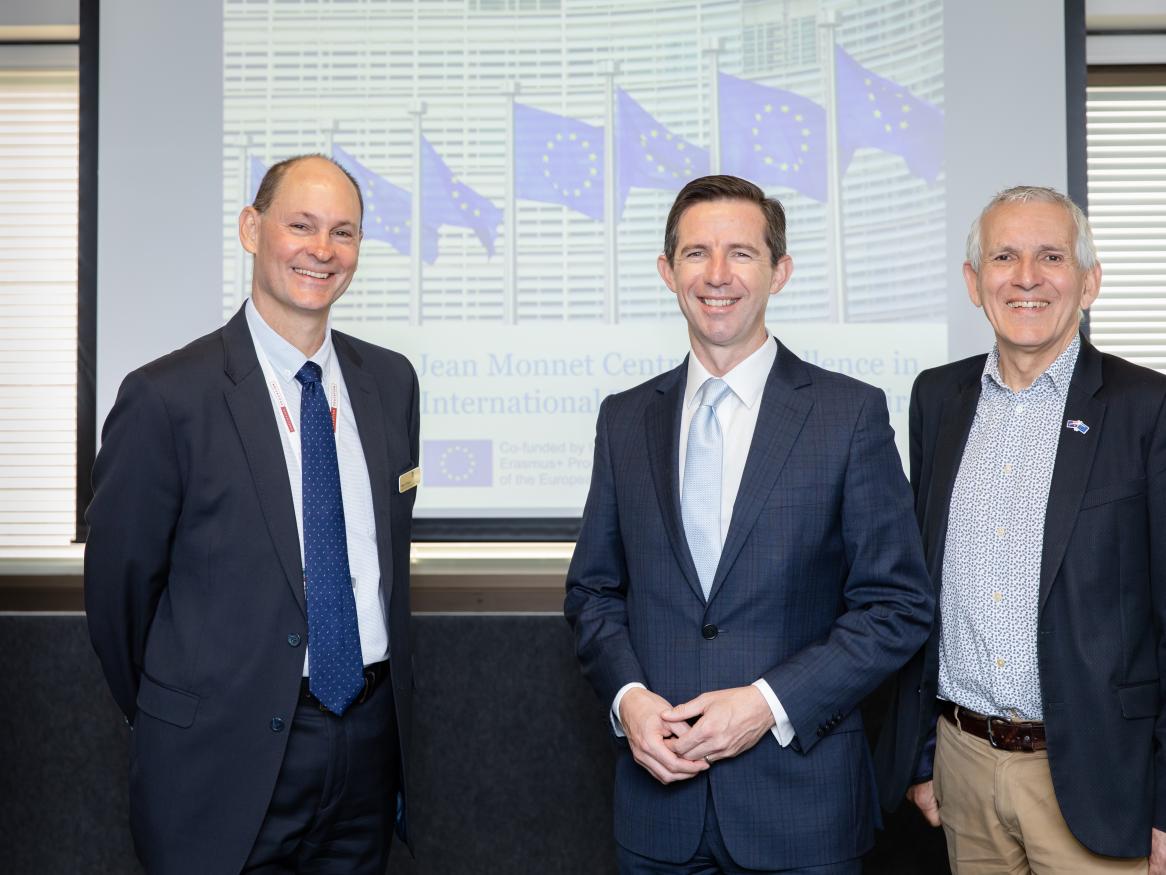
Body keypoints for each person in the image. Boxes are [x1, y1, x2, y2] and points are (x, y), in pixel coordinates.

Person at [564, 174, 933, 874]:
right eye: (696, 253)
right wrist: (628, 698)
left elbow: (898, 604)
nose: (717, 274)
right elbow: (594, 592)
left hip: (802, 811)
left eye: (741, 252)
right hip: (658, 811)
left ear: (780, 271)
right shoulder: (625, 418)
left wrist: (769, 702)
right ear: (667, 270)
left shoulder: (847, 415)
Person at [85, 154, 420, 874]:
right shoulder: (167, 397)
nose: (321, 250)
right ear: (251, 228)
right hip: (218, 755)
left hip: (363, 747)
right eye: (300, 225)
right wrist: (186, 706)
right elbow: (119, 595)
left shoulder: (391, 382)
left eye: (344, 232)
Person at [874, 185, 1166, 874]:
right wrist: (926, 757)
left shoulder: (1147, 408)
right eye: (1004, 256)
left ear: (1088, 281)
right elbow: (923, 591)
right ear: (976, 282)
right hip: (965, 769)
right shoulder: (936, 398)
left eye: (1051, 256)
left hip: (1101, 781)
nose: (1027, 276)